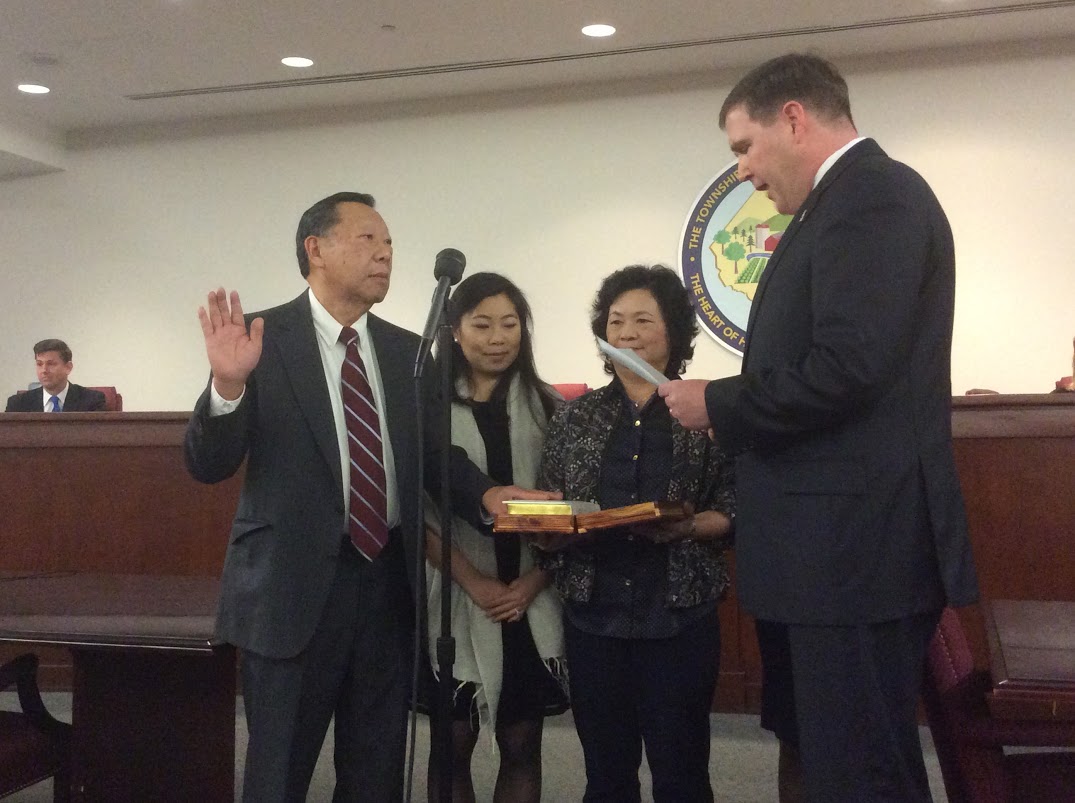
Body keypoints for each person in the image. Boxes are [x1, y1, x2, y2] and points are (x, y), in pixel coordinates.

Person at [658, 54, 979, 802]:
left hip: (852, 555)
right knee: (834, 762)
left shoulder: (872, 196)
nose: (741, 171)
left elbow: (848, 366)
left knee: (861, 773)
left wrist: (721, 404)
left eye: (743, 146)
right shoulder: (838, 204)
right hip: (828, 556)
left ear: (794, 117)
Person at [183, 192, 556, 803]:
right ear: (316, 250)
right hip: (291, 592)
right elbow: (207, 463)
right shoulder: (260, 340)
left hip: (387, 587)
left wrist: (487, 495)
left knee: (376, 771)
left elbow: (436, 455)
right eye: (368, 240)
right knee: (279, 771)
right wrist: (227, 386)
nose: (385, 255)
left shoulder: (407, 350)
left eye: (390, 246)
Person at [536, 264, 735, 803]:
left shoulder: (706, 414)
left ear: (673, 331)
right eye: (616, 320)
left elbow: (733, 510)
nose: (626, 332)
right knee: (606, 776)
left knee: (682, 774)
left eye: (643, 320)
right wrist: (552, 531)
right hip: (593, 615)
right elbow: (550, 500)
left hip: (678, 615)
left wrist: (690, 525)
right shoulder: (575, 417)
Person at [421, 272, 568, 803]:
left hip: (530, 600)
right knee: (450, 746)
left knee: (523, 743)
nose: (498, 337)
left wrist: (532, 582)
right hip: (455, 596)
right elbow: (418, 514)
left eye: (510, 324)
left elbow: (572, 508)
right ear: (454, 331)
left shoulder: (551, 406)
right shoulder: (428, 409)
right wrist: (474, 581)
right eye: (482, 324)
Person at [5, 338, 106, 412]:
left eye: (51, 364)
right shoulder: (18, 404)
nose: (44, 370)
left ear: (68, 367)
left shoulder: (92, 401)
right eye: (39, 364)